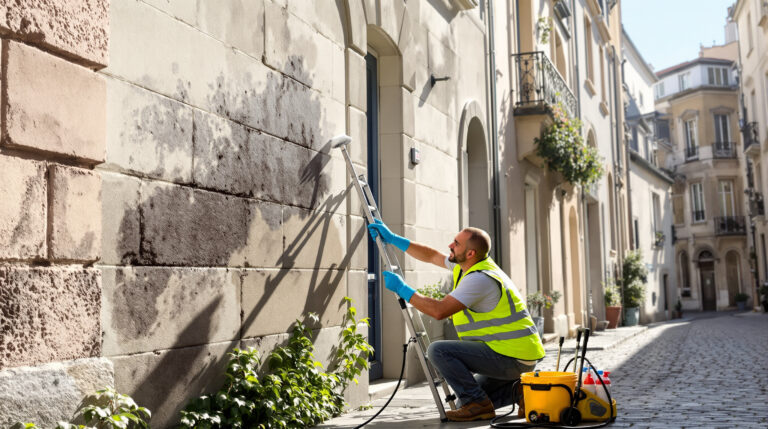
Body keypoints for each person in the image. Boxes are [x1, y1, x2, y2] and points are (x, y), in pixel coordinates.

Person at [368, 219, 545, 422]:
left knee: (438, 350)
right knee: (465, 402)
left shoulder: (479, 279)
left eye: (456, 243)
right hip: (514, 354)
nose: (450, 246)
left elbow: (439, 311)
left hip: (512, 358)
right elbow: (432, 256)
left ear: (470, 253)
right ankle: (522, 392)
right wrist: (393, 239)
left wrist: (402, 289)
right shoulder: (468, 266)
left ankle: (479, 405)